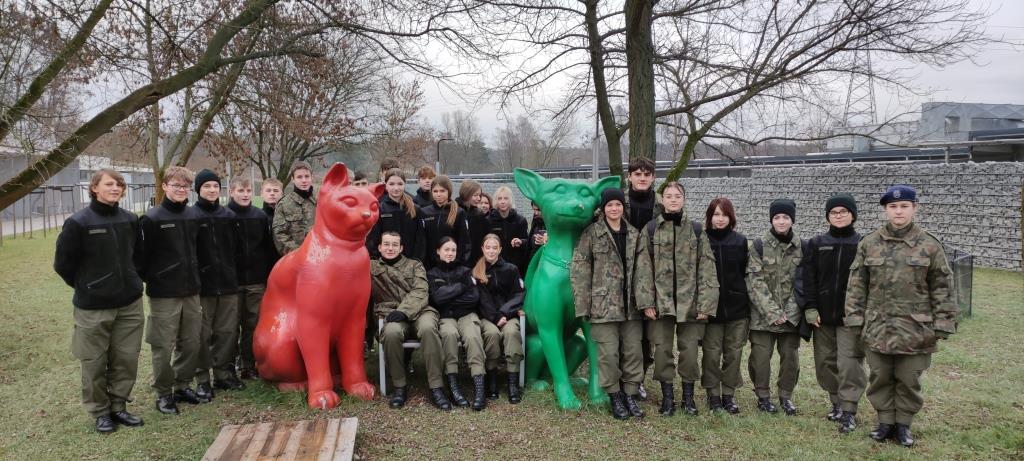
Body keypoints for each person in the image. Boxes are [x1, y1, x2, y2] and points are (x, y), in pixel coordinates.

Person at [845, 185, 957, 447]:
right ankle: (885, 422)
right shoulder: (869, 243)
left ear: (914, 208)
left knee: (909, 378)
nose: (898, 211)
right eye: (893, 207)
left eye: (904, 206)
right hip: (877, 326)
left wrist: (943, 322)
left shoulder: (929, 245)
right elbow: (856, 285)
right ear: (886, 210)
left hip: (915, 329)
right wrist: (854, 319)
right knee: (880, 376)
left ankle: (904, 424)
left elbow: (942, 285)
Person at [54, 169, 146, 433]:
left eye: (119, 184)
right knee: (93, 361)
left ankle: (118, 406)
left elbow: (138, 257)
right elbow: (63, 264)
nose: (115, 188)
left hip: (129, 304)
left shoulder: (130, 219)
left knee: (126, 358)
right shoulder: (78, 223)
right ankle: (100, 411)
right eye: (109, 184)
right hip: (93, 307)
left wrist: (132, 280)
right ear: (94, 188)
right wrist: (88, 286)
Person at [572, 188, 654, 420]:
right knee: (608, 354)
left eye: (618, 204)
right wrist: (583, 305)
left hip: (631, 307)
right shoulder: (591, 234)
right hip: (603, 306)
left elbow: (644, 270)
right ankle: (615, 396)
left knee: (633, 353)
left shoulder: (635, 234)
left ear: (623, 207)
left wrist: (646, 302)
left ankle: (630, 394)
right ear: (603, 208)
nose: (614, 208)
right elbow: (580, 271)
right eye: (609, 205)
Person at [638, 182, 718, 416]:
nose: (673, 200)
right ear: (662, 200)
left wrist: (706, 304)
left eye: (678, 196)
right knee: (662, 351)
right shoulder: (650, 229)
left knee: (690, 352)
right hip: (660, 304)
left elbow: (707, 269)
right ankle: (667, 398)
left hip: (690, 303)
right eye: (669, 196)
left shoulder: (696, 230)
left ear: (684, 199)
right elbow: (643, 269)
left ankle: (688, 398)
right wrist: (646, 302)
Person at [138, 166, 203, 415]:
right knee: (163, 345)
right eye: (176, 185)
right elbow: (140, 259)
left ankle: (183, 385)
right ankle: (164, 393)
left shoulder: (192, 215)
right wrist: (158, 278)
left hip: (191, 290)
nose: (181, 190)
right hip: (164, 293)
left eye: (185, 186)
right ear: (165, 186)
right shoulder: (152, 219)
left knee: (191, 342)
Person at [804, 193, 866, 433]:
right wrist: (811, 307)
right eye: (834, 212)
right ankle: (836, 402)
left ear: (853, 215)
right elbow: (809, 278)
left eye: (844, 212)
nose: (839, 216)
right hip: (822, 316)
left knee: (850, 364)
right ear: (828, 216)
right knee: (825, 362)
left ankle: (849, 410)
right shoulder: (817, 243)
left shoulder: (862, 243)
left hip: (850, 317)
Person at [371, 232, 450, 410]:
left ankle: (436, 387)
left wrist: (404, 311)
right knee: (391, 332)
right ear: (380, 247)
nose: (390, 248)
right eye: (386, 244)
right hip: (391, 314)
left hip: (420, 311)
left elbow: (421, 291)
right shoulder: (372, 267)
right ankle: (400, 386)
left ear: (401, 248)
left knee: (428, 328)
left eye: (394, 245)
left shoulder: (414, 265)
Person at [746, 198, 805, 416]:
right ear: (771, 219)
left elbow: (803, 282)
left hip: (791, 317)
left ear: (792, 220)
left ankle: (785, 396)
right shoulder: (759, 245)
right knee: (760, 359)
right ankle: (762, 396)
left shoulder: (802, 247)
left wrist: (789, 313)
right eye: (777, 217)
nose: (781, 221)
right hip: (763, 317)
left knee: (790, 358)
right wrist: (772, 312)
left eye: (786, 217)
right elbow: (754, 281)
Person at [191, 170, 243, 395]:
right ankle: (202, 378)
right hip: (203, 287)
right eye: (207, 186)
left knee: (227, 332)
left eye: (215, 186)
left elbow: (236, 248)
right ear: (198, 189)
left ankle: (223, 374)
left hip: (228, 284)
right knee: (201, 335)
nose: (212, 190)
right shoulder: (191, 216)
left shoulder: (228, 216)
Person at [428, 237, 493, 411]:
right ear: (438, 251)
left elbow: (473, 298)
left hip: (466, 314)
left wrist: (449, 298)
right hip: (445, 316)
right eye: (446, 249)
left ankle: (479, 388)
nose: (450, 253)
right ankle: (454, 386)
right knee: (449, 335)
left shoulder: (466, 271)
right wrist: (462, 287)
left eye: (453, 250)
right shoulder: (432, 273)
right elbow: (437, 298)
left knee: (473, 336)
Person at [700, 197, 751, 415]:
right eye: (716, 215)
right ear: (709, 217)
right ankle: (713, 394)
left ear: (731, 217)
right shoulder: (702, 240)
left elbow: (745, 272)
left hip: (737, 309)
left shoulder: (740, 241)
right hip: (711, 310)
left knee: (733, 354)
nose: (720, 219)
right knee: (711, 354)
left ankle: (729, 394)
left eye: (724, 215)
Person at [227, 177, 277, 381]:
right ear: (231, 192)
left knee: (252, 324)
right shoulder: (225, 216)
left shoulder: (259, 216)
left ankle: (248, 364)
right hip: (232, 281)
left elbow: (267, 247)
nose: (245, 194)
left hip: (256, 280)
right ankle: (228, 365)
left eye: (248, 190)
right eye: (241, 190)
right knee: (230, 326)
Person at [623, 157, 661, 400]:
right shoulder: (616, 202)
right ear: (629, 177)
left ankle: (639, 380)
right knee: (625, 331)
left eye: (647, 174)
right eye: (637, 174)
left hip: (652, 275)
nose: (642, 178)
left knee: (648, 334)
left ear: (653, 177)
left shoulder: (663, 206)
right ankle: (621, 378)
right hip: (621, 274)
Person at [473, 234, 525, 403]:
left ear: (500, 249)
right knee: (492, 334)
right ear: (482, 249)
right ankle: (492, 380)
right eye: (488, 247)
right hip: (488, 317)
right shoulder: (477, 271)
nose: (491, 251)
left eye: (494, 247)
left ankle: (512, 383)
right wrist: (495, 317)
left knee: (511, 333)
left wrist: (504, 313)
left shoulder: (511, 269)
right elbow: (481, 299)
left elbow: (518, 294)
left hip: (508, 315)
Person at [366, 169, 425, 262]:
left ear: (405, 184)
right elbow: (373, 240)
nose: (396, 188)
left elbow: (420, 240)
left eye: (400, 184)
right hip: (385, 263)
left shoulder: (415, 209)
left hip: (410, 263)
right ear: (386, 185)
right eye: (392, 184)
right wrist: (377, 261)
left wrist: (415, 261)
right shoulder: (380, 209)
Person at [421, 175, 470, 269]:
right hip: (430, 266)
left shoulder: (459, 212)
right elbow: (422, 240)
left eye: (442, 191)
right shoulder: (424, 212)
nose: (438, 194)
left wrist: (459, 262)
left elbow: (464, 242)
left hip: (452, 265)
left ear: (449, 191)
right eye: (435, 191)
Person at [272, 161, 316, 255]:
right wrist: (299, 253)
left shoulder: (320, 201)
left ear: (312, 177)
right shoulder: (284, 204)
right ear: (293, 179)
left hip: (320, 255)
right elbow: (279, 234)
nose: (304, 180)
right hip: (296, 257)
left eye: (307, 176)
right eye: (299, 177)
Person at [486, 186, 530, 276]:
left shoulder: (520, 221)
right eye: (499, 198)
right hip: (494, 267)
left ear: (510, 200)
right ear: (496, 201)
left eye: (506, 198)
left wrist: (521, 242)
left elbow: (528, 242)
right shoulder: (488, 221)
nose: (502, 202)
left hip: (516, 267)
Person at [456, 180, 489, 267]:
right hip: (458, 260)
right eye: (475, 195)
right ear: (467, 194)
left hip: (475, 261)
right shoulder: (455, 212)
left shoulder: (478, 215)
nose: (478, 198)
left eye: (479, 195)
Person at [525, 200, 547, 266]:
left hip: (543, 261)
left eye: (538, 210)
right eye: (534, 210)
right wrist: (522, 242)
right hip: (533, 259)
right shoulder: (536, 219)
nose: (536, 213)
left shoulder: (552, 223)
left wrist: (546, 242)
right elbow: (531, 239)